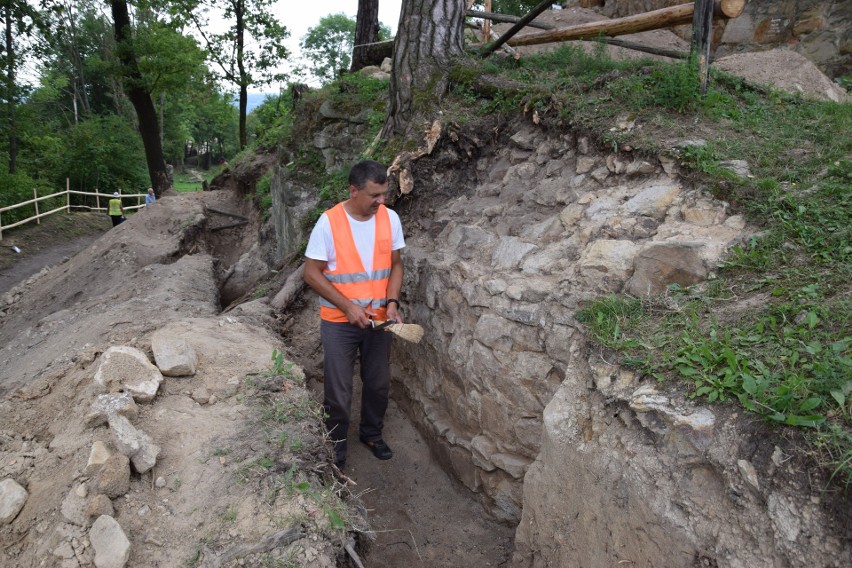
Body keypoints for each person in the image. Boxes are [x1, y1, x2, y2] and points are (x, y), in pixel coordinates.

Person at [303, 160, 406, 470]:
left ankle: (372, 434)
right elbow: (311, 272)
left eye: (384, 194)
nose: (381, 201)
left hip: (378, 321)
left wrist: (392, 302)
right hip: (339, 323)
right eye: (374, 195)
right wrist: (348, 307)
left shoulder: (390, 219)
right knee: (338, 390)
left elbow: (396, 264)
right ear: (353, 190)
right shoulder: (329, 223)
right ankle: (334, 450)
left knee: (377, 384)